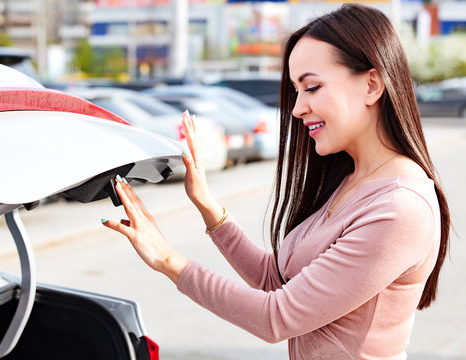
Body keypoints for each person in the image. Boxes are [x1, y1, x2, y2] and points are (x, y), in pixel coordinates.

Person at [102, 4, 450, 359]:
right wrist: (206, 204)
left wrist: (166, 259)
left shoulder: (400, 209)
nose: (298, 108)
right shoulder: (353, 180)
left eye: (312, 87)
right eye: (297, 91)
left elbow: (276, 317)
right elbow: (277, 279)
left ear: (372, 85)